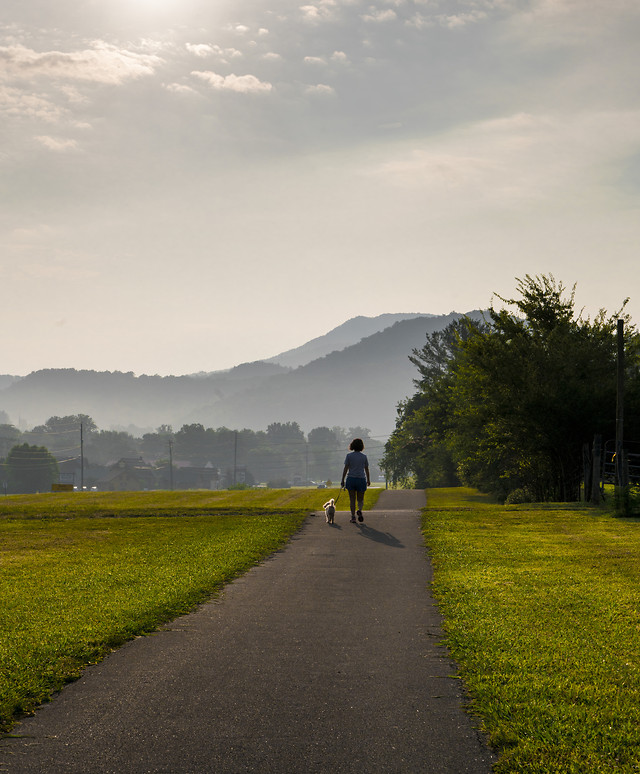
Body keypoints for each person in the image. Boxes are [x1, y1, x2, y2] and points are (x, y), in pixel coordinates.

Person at [341, 438, 370, 523]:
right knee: (360, 499)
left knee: (352, 499)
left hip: (351, 479)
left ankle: (353, 516)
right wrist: (368, 480)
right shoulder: (364, 457)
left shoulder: (349, 456)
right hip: (361, 479)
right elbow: (367, 469)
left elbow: (346, 468)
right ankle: (360, 510)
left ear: (352, 445)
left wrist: (343, 479)